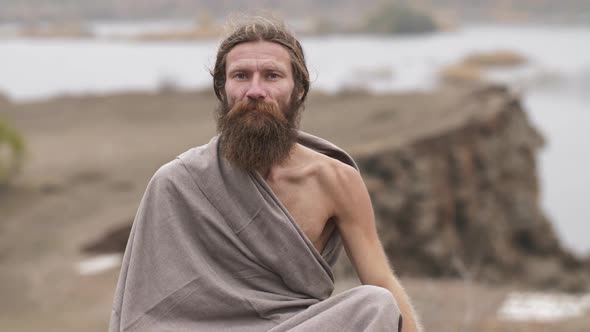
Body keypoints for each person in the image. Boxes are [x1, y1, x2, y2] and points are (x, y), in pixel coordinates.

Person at [110, 16, 421, 332]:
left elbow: (381, 279)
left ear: (298, 90)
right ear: (222, 89)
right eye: (241, 76)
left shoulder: (335, 180)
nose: (255, 90)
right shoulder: (176, 183)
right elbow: (146, 309)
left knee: (375, 304)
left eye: (272, 76)